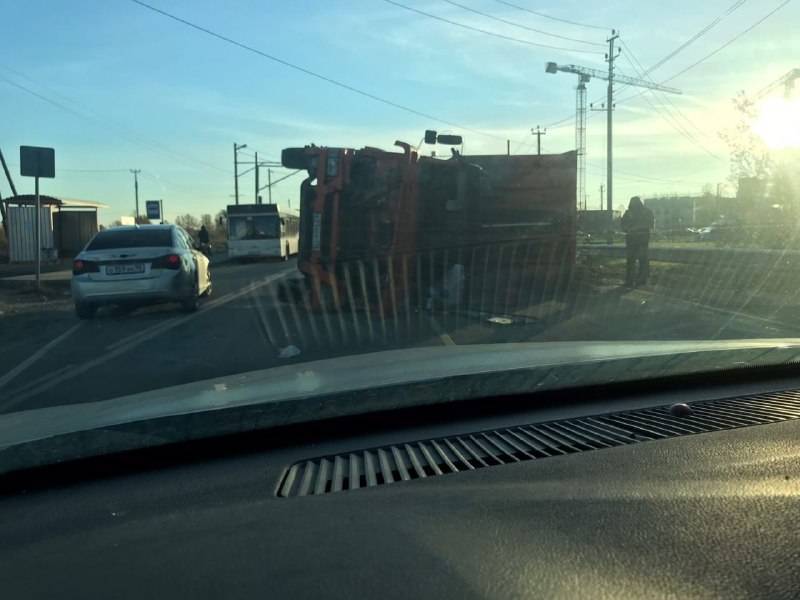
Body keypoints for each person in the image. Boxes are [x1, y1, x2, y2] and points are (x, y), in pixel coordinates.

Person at [621, 196, 654, 287]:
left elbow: (623, 226)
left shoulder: (629, 213)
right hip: (641, 240)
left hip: (634, 240)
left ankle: (631, 280)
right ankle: (640, 280)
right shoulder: (646, 212)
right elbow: (651, 224)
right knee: (641, 260)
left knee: (632, 261)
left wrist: (631, 229)